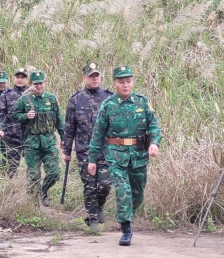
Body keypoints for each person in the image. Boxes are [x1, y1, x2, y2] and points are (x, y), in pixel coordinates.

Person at [88, 65, 162, 246]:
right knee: (123, 192)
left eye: (128, 81)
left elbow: (154, 125)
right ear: (114, 83)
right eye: (121, 82)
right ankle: (126, 228)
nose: (125, 85)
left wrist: (154, 143)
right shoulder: (108, 106)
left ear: (132, 82)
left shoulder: (142, 102)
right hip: (116, 156)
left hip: (138, 156)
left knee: (138, 195)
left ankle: (126, 216)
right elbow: (98, 134)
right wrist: (92, 160)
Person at [63, 62, 113, 231]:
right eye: (91, 76)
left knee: (105, 184)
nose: (94, 78)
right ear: (84, 77)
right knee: (90, 185)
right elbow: (69, 127)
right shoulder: (75, 99)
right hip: (84, 151)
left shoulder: (109, 98)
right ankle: (92, 219)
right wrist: (67, 151)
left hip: (105, 150)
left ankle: (98, 208)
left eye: (97, 75)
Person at [12, 70, 64, 207]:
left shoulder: (51, 99)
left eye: (41, 84)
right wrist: (25, 116)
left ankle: (44, 191)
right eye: (35, 84)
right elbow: (13, 115)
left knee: (55, 173)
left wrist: (64, 138)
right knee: (33, 176)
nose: (38, 87)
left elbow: (59, 119)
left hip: (49, 142)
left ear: (45, 83)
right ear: (30, 84)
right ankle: (33, 206)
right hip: (31, 144)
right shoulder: (24, 99)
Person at [0, 68, 30, 178]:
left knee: (33, 166)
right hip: (12, 136)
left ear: (27, 79)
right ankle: (12, 191)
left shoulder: (32, 94)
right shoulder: (7, 94)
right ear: (13, 78)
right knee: (11, 168)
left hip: (30, 136)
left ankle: (32, 191)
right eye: (17, 77)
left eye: (23, 77)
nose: (20, 80)